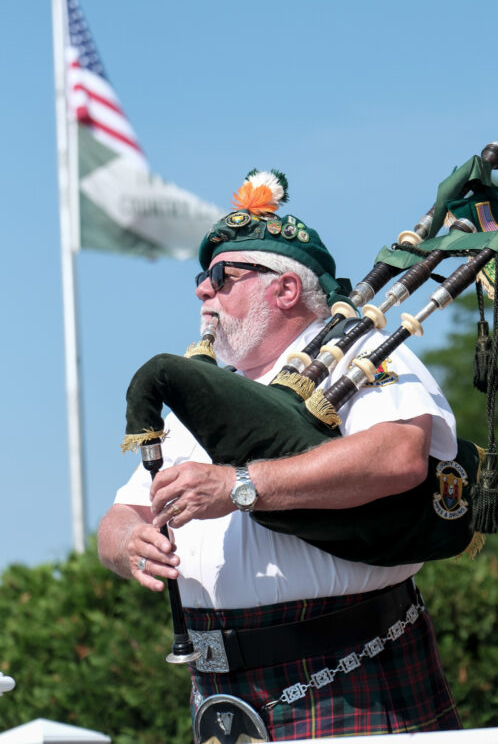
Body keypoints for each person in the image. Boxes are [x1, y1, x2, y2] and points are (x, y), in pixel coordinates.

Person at [98, 170, 462, 740]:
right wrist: (129, 545)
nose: (202, 291)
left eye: (221, 276)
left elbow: (397, 455)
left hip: (351, 672)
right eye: (202, 277)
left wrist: (239, 484)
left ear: (285, 289)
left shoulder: (356, 352)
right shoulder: (204, 400)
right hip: (222, 691)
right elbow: (122, 517)